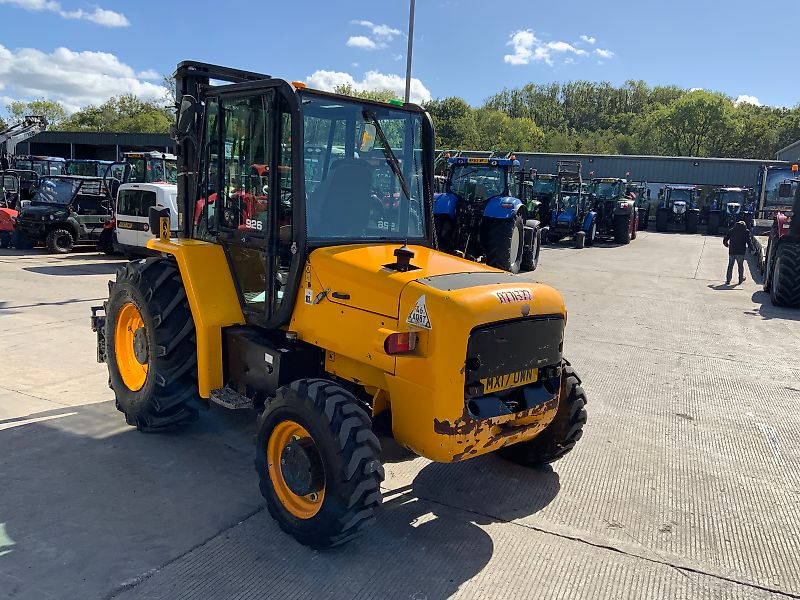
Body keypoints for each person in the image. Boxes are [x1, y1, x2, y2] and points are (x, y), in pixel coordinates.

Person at [723, 220, 753, 285]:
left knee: (730, 266)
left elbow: (725, 239)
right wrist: (752, 249)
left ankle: (728, 280)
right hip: (741, 252)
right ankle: (740, 279)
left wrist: (727, 245)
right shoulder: (746, 231)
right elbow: (749, 242)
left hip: (732, 251)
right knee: (740, 266)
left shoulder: (731, 230)